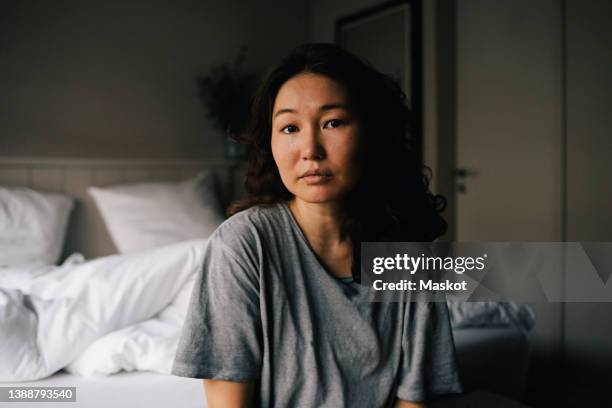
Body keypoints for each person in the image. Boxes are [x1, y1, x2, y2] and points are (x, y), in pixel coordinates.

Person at [172, 43, 463, 407]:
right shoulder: (243, 245)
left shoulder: (407, 252)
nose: (310, 149)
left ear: (371, 133)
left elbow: (415, 399)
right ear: (271, 143)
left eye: (333, 123)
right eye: (290, 127)